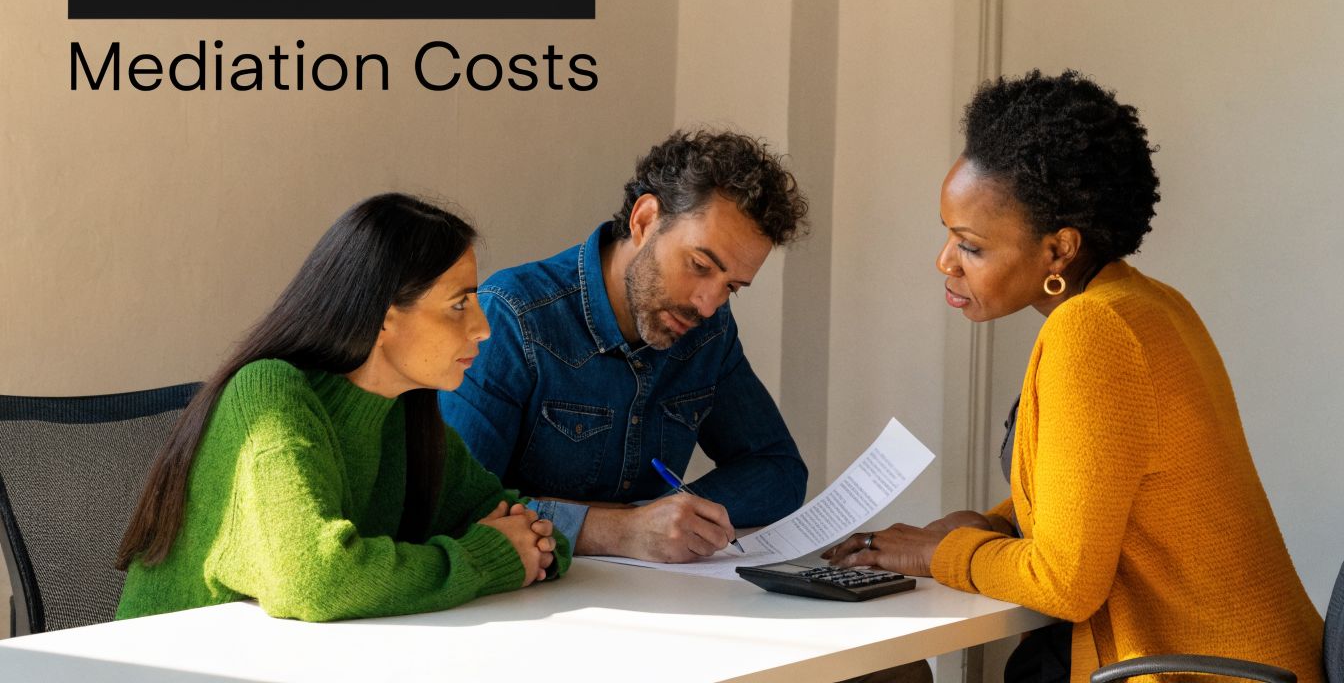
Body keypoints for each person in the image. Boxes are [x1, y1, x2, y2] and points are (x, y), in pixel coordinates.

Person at [825, 71, 1323, 683]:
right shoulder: (1147, 303)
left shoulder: (1091, 332)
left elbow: (1065, 584)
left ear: (1058, 250)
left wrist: (939, 553)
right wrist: (995, 524)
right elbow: (1108, 486)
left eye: (971, 246)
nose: (945, 262)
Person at [116, 193, 567, 622]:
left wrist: (530, 544)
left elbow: (530, 532)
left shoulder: (404, 416)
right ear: (385, 315)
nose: (482, 328)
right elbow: (316, 579)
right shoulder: (269, 395)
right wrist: (487, 559)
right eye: (458, 304)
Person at [439, 130, 809, 563]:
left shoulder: (709, 333)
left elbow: (779, 471)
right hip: (521, 605)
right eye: (699, 265)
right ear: (645, 219)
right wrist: (616, 530)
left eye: (732, 287)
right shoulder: (512, 317)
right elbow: (453, 510)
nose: (708, 304)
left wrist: (666, 517)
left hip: (646, 599)